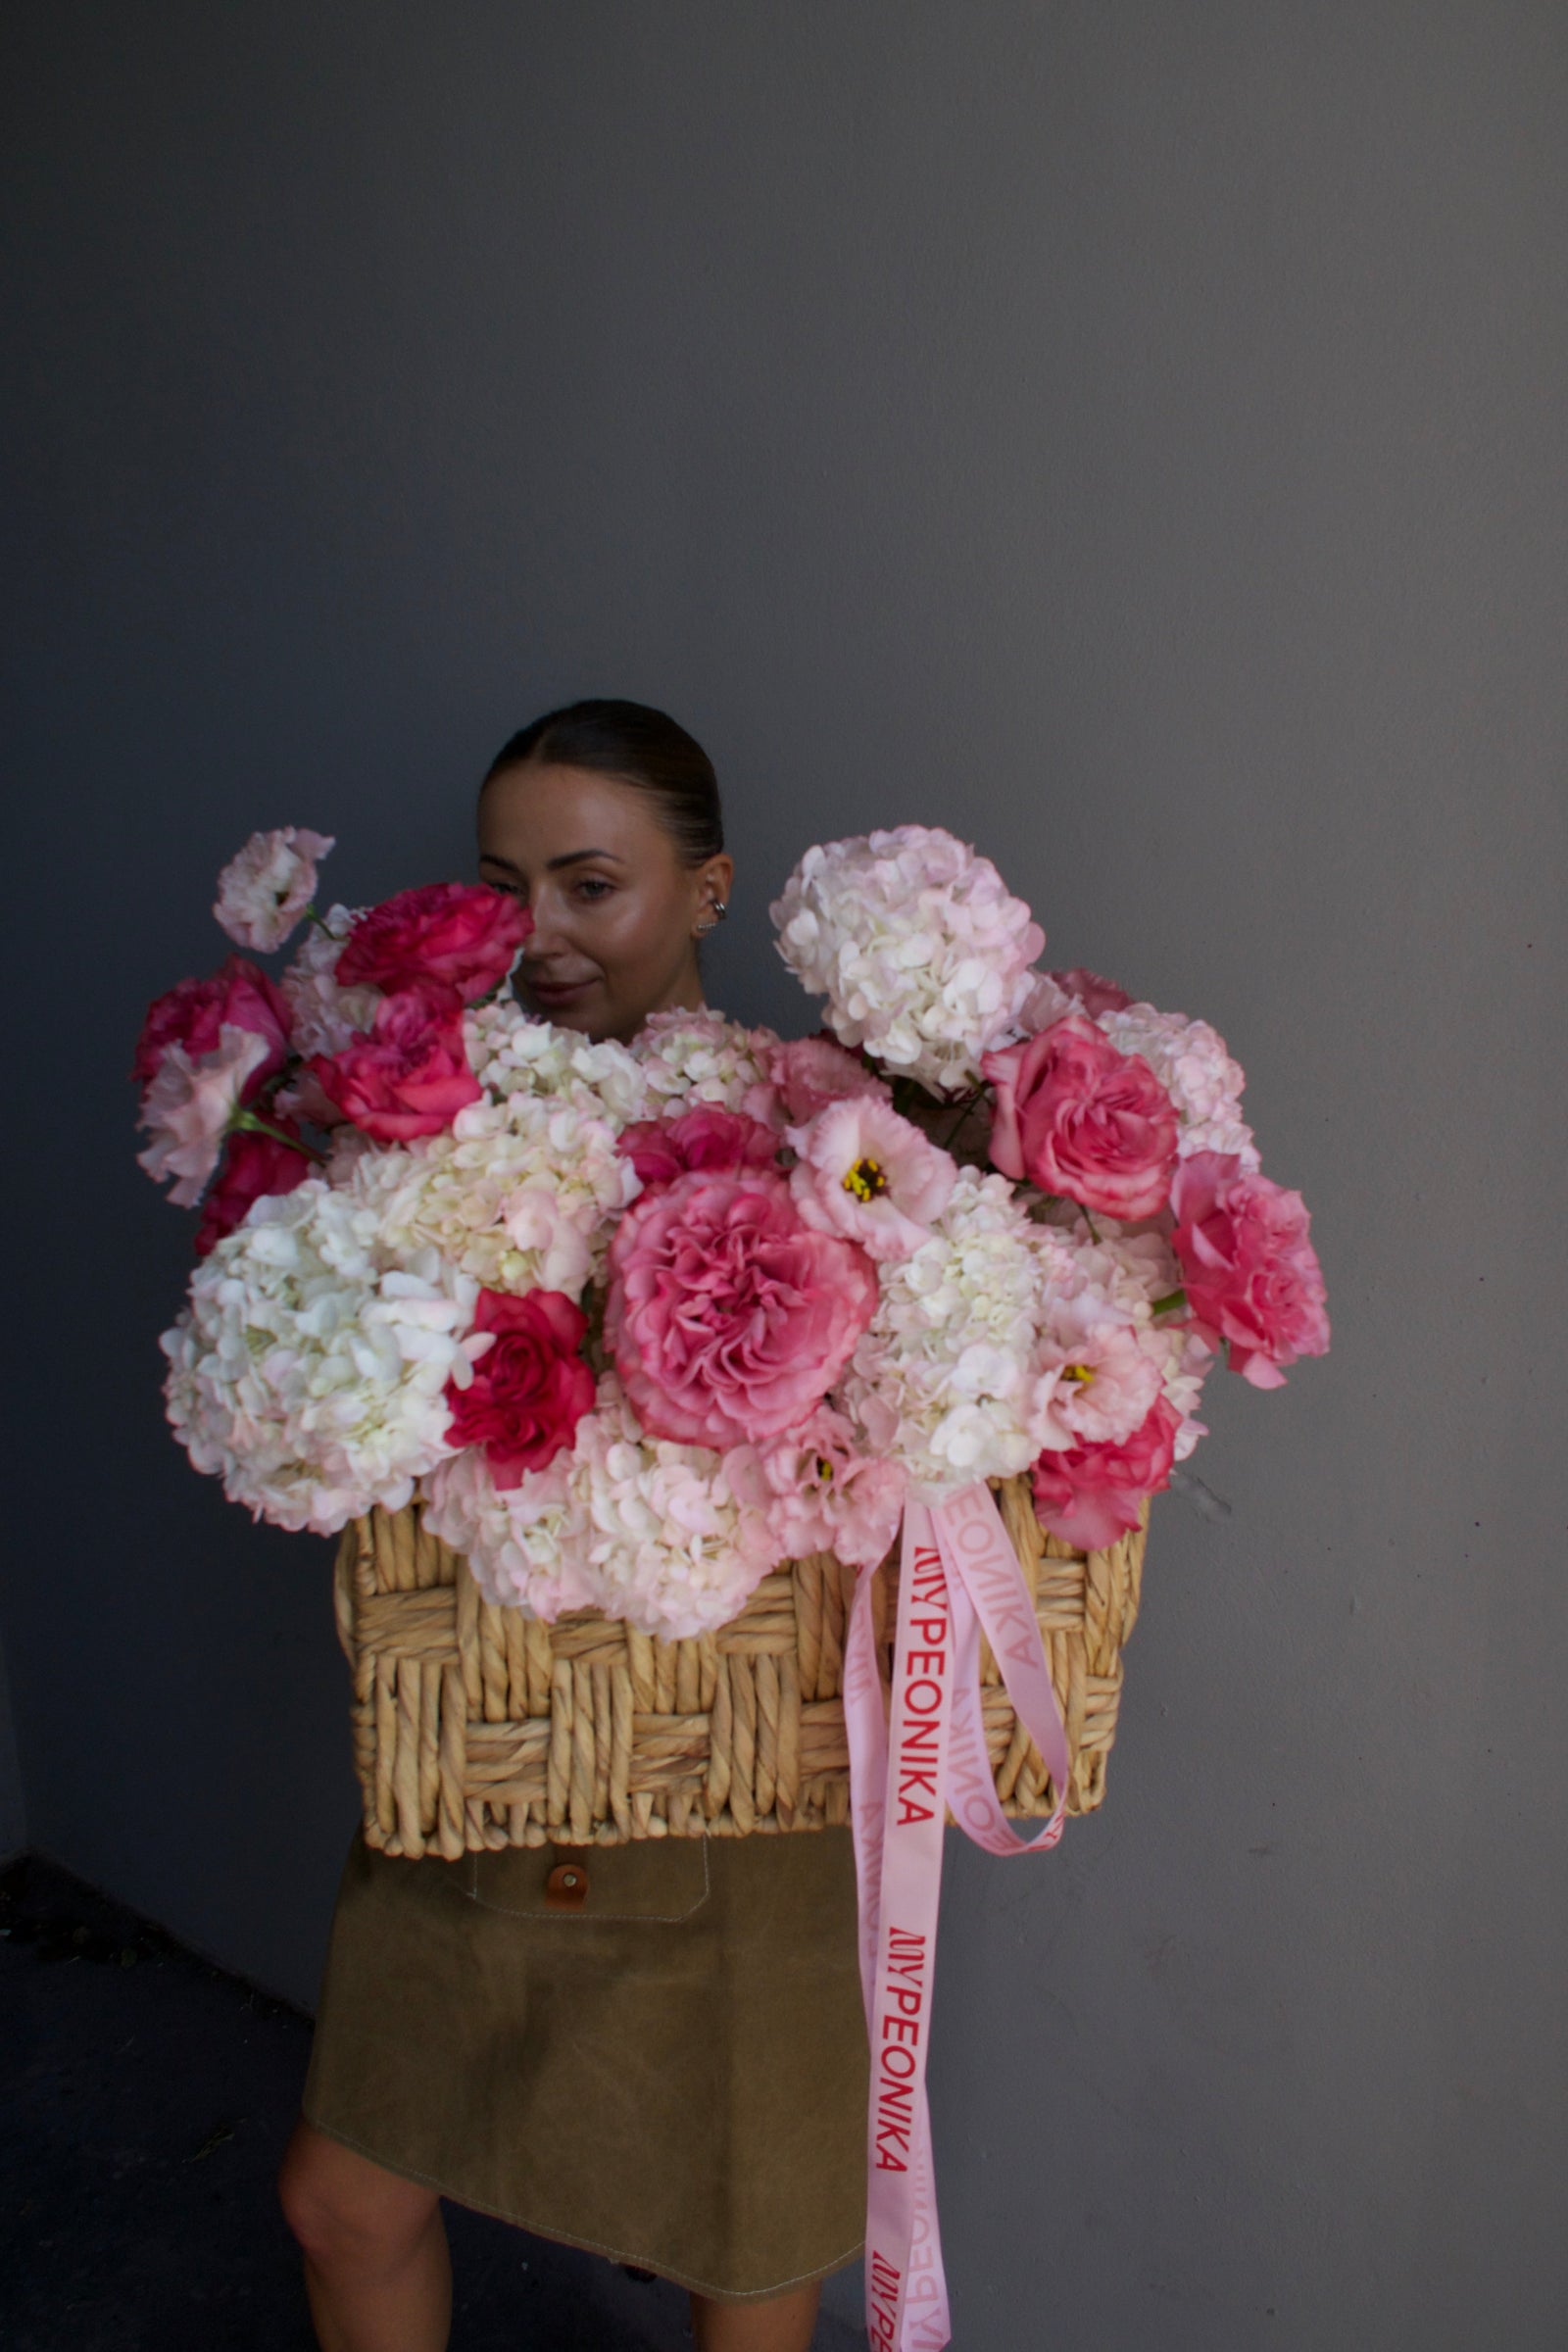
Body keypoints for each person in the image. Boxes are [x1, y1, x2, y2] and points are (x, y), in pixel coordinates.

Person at [278, 702, 868, 2352]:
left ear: (709, 889)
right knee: (345, 2201)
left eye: (589, 884)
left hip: (719, 1777)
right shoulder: (421, 1126)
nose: (534, 933)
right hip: (483, 1749)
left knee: (743, 2249)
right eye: (502, 883)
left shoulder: (821, 1146)